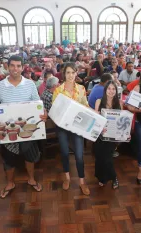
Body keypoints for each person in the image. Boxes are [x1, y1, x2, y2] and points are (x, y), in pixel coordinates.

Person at [0, 56, 47, 198]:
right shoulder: (0, 86)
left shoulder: (30, 84)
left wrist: (43, 113)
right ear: (7, 67)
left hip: (27, 130)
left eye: (18, 66)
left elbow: (37, 104)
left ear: (22, 68)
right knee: (8, 158)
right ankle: (10, 183)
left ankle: (31, 179)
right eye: (13, 66)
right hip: (7, 131)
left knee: (30, 156)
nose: (15, 69)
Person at [52, 62, 90, 195]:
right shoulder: (58, 90)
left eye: (73, 72)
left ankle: (81, 181)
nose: (70, 75)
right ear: (64, 74)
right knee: (64, 153)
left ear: (76, 73)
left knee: (79, 155)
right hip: (62, 126)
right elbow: (55, 110)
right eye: (68, 72)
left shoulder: (81, 89)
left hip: (77, 126)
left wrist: (96, 115)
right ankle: (67, 177)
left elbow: (85, 105)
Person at [93, 81, 121, 189]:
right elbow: (96, 119)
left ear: (116, 91)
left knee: (108, 158)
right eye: (109, 88)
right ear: (105, 90)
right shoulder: (99, 101)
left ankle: (114, 177)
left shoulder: (119, 103)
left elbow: (121, 121)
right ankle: (102, 178)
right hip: (100, 134)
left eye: (113, 89)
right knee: (100, 157)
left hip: (112, 135)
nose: (111, 91)